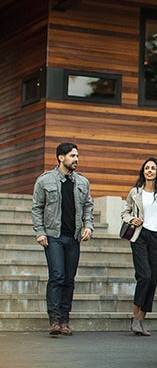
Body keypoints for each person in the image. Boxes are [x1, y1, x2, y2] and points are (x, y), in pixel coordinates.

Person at [31, 142, 94, 336]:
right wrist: (40, 231)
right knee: (57, 276)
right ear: (61, 157)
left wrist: (88, 226)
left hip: (73, 237)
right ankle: (55, 320)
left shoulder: (82, 182)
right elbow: (37, 207)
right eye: (72, 156)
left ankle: (65, 321)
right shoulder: (45, 180)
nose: (76, 159)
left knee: (69, 279)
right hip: (53, 236)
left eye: (77, 156)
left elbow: (88, 207)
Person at [122, 157, 157, 336]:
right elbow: (125, 212)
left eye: (152, 168)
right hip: (140, 236)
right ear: (143, 172)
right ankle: (135, 317)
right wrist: (132, 219)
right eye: (146, 168)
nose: (149, 171)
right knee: (144, 276)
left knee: (153, 280)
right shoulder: (135, 192)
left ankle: (141, 319)